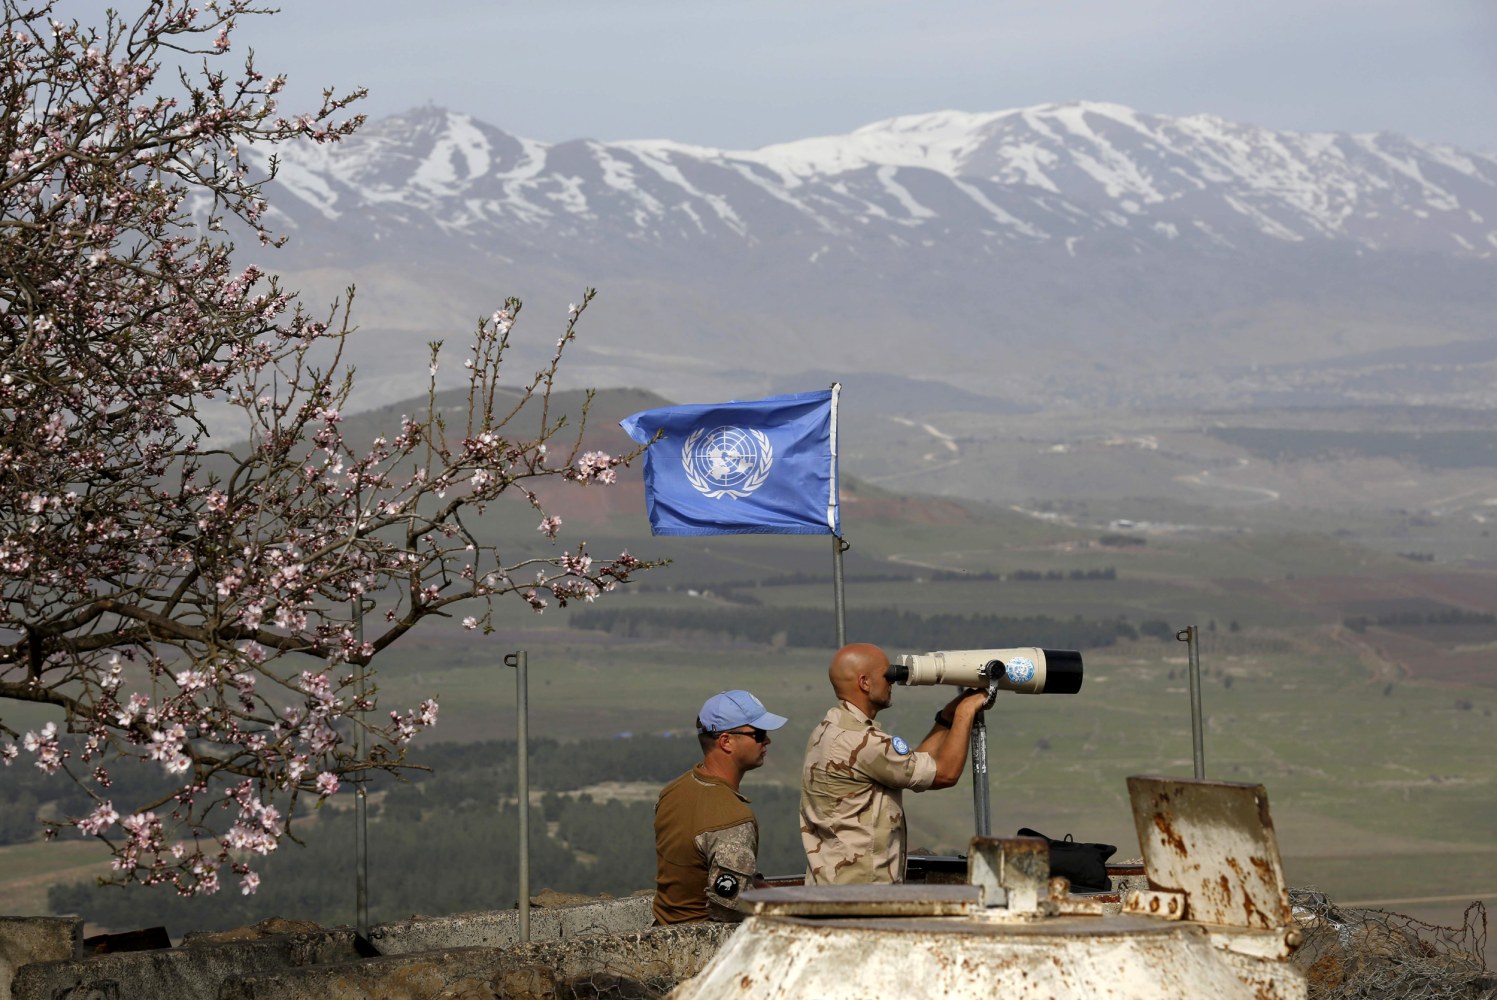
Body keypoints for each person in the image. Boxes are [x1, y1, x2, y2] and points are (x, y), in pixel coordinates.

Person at [800, 642, 988, 884]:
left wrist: (947, 718)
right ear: (864, 683)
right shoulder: (863, 742)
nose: (892, 681)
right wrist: (966, 712)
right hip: (861, 894)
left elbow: (911, 766)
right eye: (887, 675)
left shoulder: (830, 729)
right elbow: (945, 774)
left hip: (834, 886)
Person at [652, 689, 788, 924]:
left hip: (663, 929)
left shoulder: (673, 792)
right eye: (758, 734)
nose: (767, 740)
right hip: (702, 946)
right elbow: (729, 909)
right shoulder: (733, 820)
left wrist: (754, 883)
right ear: (726, 741)